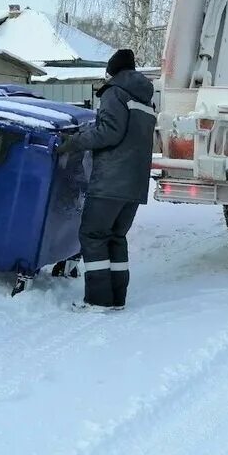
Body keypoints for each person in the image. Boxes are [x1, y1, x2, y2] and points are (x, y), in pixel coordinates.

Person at [56, 48, 156, 310]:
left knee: (93, 235)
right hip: (134, 184)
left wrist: (73, 142)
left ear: (112, 72)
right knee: (115, 238)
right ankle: (116, 299)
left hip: (111, 181)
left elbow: (109, 133)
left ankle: (98, 301)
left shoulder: (115, 92)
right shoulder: (145, 99)